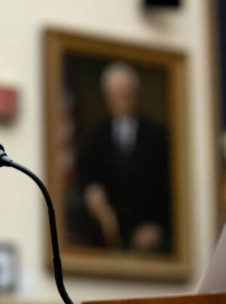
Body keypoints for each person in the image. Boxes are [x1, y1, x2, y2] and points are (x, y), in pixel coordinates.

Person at [72, 62, 172, 253]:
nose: (120, 99)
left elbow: (167, 188)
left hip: (148, 238)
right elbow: (88, 178)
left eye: (125, 93)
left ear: (135, 94)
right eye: (114, 94)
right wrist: (93, 196)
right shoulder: (96, 137)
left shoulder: (155, 136)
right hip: (107, 239)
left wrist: (157, 226)